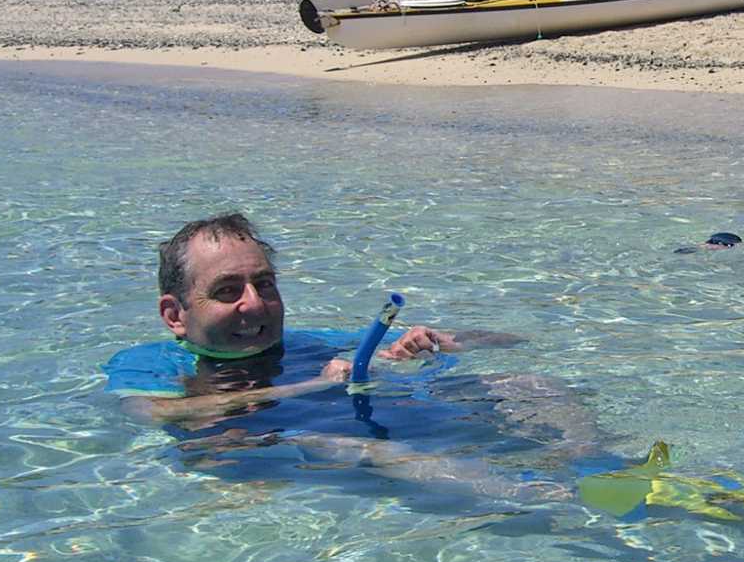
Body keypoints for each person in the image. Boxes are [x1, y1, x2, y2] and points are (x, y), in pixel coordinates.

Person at [104, 212, 599, 495]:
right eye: (229, 290)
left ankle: (596, 468)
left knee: (533, 386)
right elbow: (156, 413)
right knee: (368, 451)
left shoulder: (309, 341)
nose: (254, 302)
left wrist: (440, 341)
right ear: (175, 314)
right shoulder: (152, 363)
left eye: (265, 283)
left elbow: (509, 339)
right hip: (292, 444)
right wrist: (310, 385)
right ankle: (550, 499)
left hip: (396, 416)